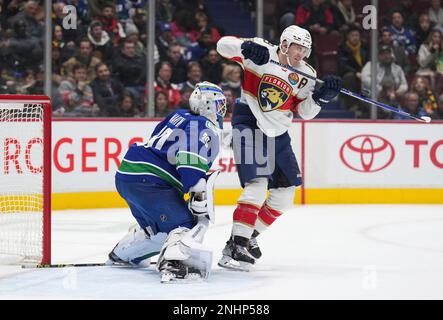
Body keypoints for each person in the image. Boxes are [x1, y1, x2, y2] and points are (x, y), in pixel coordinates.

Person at [216, 25, 342, 271]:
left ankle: (246, 237)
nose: (301, 54)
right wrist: (246, 47)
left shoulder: (306, 73)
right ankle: (237, 245)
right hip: (249, 121)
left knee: (285, 196)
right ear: (284, 44)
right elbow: (222, 44)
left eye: (305, 50)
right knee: (257, 185)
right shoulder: (261, 49)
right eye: (298, 48)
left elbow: (304, 113)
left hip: (278, 132)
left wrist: (320, 98)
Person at [108, 82, 227, 282]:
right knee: (185, 225)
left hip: (129, 175)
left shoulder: (179, 115)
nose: (222, 110)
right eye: (219, 104)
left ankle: (122, 254)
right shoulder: (205, 126)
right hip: (151, 180)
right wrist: (198, 193)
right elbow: (188, 158)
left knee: (160, 230)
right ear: (207, 104)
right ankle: (176, 264)